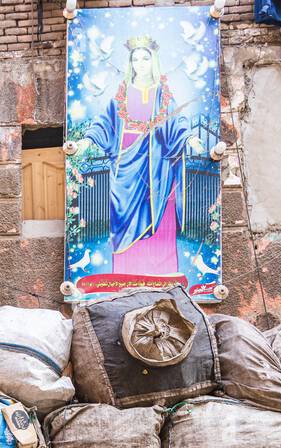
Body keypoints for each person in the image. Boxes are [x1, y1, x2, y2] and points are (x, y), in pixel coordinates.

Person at [74, 35, 194, 280]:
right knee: (122, 223)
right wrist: (87, 141)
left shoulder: (163, 94)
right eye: (135, 58)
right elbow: (104, 123)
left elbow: (177, 121)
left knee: (160, 221)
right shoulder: (122, 95)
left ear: (153, 61)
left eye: (145, 58)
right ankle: (125, 275)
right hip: (125, 168)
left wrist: (189, 138)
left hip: (157, 166)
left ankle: (163, 276)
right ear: (130, 63)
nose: (140, 63)